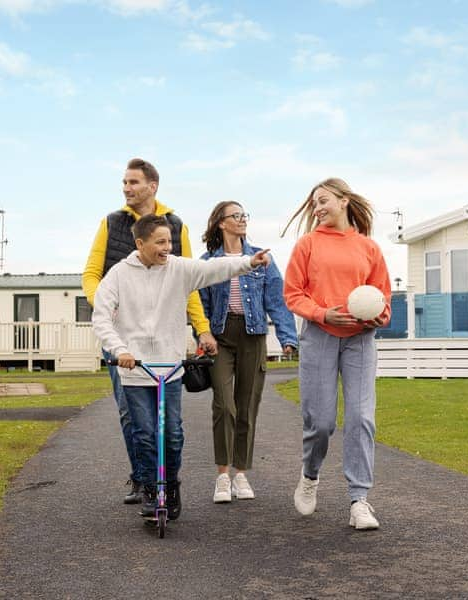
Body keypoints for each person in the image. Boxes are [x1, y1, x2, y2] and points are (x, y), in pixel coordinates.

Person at [92, 214, 271, 520]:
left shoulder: (178, 269)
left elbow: (213, 268)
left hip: (170, 367)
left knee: (172, 434)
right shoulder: (119, 275)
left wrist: (248, 263)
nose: (167, 247)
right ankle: (151, 490)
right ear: (140, 243)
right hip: (134, 371)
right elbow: (101, 317)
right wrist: (120, 350)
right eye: (160, 242)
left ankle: (170, 486)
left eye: (169, 241)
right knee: (146, 434)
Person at [83, 158, 217, 506]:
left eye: (133, 182)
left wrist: (201, 328)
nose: (126, 188)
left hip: (163, 339)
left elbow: (187, 282)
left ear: (152, 186)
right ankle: (143, 480)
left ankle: (165, 484)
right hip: (121, 337)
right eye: (124, 182)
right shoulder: (111, 222)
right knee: (132, 415)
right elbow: (91, 273)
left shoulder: (175, 225)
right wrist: (108, 308)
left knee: (168, 424)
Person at [282, 177, 391, 530]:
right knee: (322, 421)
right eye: (315, 203)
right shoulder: (307, 245)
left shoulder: (369, 248)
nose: (318, 208)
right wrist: (322, 313)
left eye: (324, 200)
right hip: (319, 336)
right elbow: (293, 294)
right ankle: (310, 475)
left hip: (360, 339)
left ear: (344, 200)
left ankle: (359, 500)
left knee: (361, 418)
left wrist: (377, 316)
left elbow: (383, 299)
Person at [199, 201, 298, 503]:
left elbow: (277, 300)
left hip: (253, 335)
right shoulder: (207, 261)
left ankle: (241, 474)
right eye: (236, 216)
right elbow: (200, 302)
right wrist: (201, 335)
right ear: (221, 223)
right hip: (220, 337)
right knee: (224, 405)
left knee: (247, 406)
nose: (242, 220)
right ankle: (222, 476)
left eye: (244, 215)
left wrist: (286, 336)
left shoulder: (262, 259)